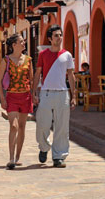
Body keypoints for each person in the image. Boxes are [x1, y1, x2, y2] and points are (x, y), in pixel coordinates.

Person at [32, 25, 76, 168]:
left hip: (62, 94)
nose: (59, 38)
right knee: (42, 124)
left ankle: (59, 156)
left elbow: (71, 75)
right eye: (56, 35)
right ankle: (44, 147)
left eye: (60, 35)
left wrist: (73, 95)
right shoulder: (43, 54)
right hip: (46, 93)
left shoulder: (67, 55)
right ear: (50, 39)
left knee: (62, 127)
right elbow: (38, 73)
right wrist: (34, 92)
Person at [0, 34, 34, 170]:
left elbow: (31, 79)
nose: (24, 44)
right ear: (14, 45)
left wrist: (34, 94)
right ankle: (11, 158)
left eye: (24, 41)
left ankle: (17, 157)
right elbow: (0, 81)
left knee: (22, 127)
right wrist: (2, 98)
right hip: (12, 97)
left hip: (25, 96)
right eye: (22, 42)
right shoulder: (5, 61)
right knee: (14, 126)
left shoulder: (29, 60)